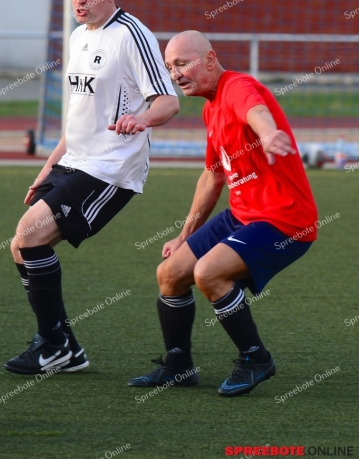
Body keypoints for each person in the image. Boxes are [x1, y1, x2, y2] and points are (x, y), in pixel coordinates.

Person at [4, 0, 179, 374]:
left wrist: (142, 118)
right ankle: (65, 345)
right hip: (75, 161)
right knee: (20, 245)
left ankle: (53, 345)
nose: (79, 0)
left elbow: (168, 102)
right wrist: (48, 168)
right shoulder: (79, 37)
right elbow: (77, 119)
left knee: (30, 237)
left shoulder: (133, 36)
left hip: (111, 168)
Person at [128, 31, 318, 396]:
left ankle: (256, 358)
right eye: (170, 67)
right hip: (243, 214)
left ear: (210, 60)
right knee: (170, 273)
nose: (175, 73)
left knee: (208, 274)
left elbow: (257, 110)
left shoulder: (237, 87)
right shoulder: (211, 107)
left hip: (285, 221)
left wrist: (267, 133)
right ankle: (179, 365)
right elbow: (213, 176)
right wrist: (184, 234)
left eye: (183, 63)